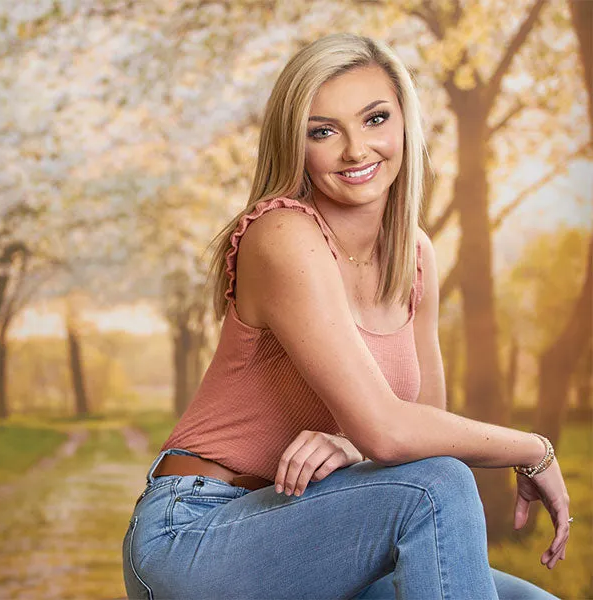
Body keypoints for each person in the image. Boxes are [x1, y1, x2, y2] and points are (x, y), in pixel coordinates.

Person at [121, 33, 570, 600]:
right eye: (324, 131)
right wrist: (533, 449)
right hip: (201, 532)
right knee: (437, 487)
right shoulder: (283, 234)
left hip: (327, 526)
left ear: (405, 122)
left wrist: (355, 444)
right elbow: (395, 434)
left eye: (376, 119)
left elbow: (418, 425)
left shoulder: (416, 257)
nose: (357, 150)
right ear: (297, 146)